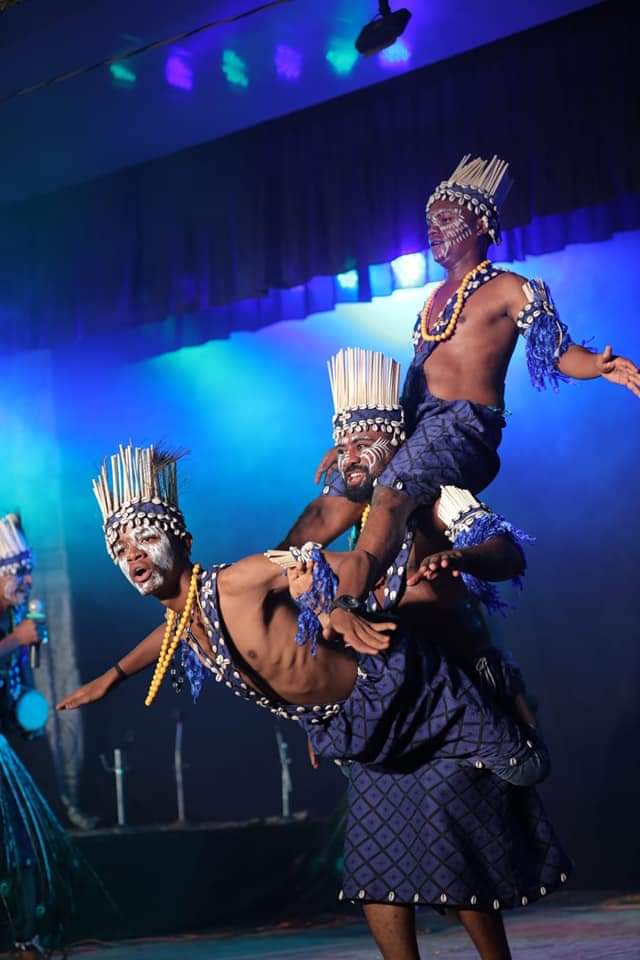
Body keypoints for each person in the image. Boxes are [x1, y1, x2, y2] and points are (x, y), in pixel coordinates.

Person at [57, 434, 570, 959]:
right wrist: (113, 676)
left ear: (181, 539)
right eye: (119, 550)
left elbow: (323, 566)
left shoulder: (243, 577)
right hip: (351, 725)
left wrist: (331, 603)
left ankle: (489, 727)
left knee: (455, 826)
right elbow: (181, 631)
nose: (132, 555)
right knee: (376, 866)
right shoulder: (187, 619)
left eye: (142, 539)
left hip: (405, 685)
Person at [298, 155, 640, 651]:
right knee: (342, 482)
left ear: (481, 223)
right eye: (428, 221)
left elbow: (556, 348)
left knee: (392, 489)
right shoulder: (433, 301)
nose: (432, 231)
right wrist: (357, 443)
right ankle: (281, 569)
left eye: (444, 219)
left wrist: (598, 365)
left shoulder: (509, 288)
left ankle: (349, 601)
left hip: (464, 428)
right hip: (417, 423)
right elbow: (415, 385)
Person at [0, 514, 83, 959]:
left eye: (28, 571)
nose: (27, 580)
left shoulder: (14, 615)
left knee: (21, 843)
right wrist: (15, 639)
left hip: (6, 744)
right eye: (18, 572)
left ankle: (26, 935)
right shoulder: (11, 626)